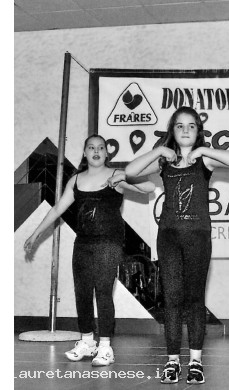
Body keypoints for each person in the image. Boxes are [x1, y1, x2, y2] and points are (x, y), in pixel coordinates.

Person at [125, 106, 229, 384]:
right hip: (168, 236)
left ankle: (196, 360)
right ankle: (172, 361)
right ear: (172, 131)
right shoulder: (164, 163)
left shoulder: (205, 162)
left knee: (194, 299)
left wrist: (205, 151)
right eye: (179, 126)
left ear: (198, 131)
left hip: (198, 236)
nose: (186, 130)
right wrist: (157, 152)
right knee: (172, 299)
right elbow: (130, 172)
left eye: (191, 125)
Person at [24, 134, 155, 366]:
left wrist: (125, 176)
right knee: (82, 292)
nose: (96, 151)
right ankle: (87, 341)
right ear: (84, 153)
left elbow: (148, 188)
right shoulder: (75, 180)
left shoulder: (115, 176)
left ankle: (105, 346)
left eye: (101, 148)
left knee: (103, 292)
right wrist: (35, 234)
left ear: (107, 153)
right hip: (83, 243)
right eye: (91, 147)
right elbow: (57, 209)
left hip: (109, 242)